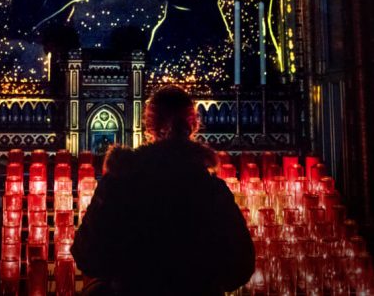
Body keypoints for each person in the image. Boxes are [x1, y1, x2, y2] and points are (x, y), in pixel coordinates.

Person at [72, 85, 255, 296]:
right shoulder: (212, 189)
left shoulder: (119, 179)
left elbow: (86, 254)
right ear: (194, 124)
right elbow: (241, 264)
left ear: (149, 126)